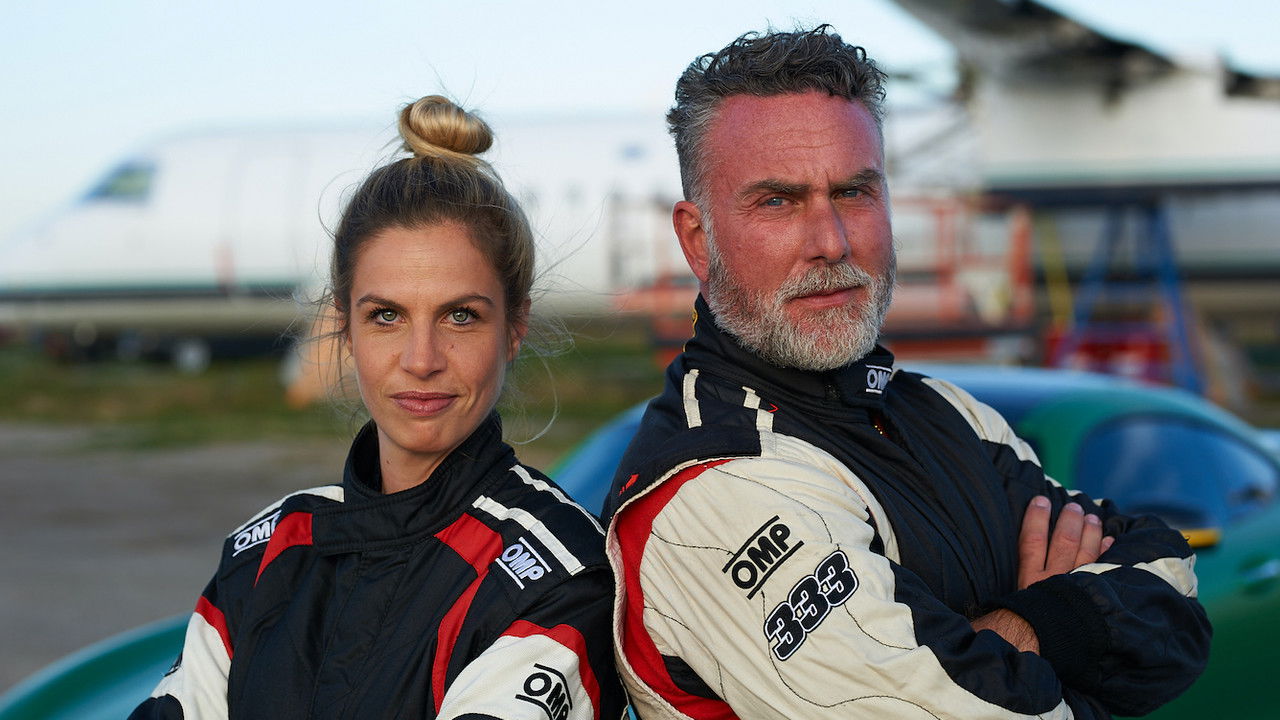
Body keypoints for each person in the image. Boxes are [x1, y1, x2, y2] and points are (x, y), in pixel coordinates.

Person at [602, 26, 1210, 720]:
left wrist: (1021, 634)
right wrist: (1065, 625)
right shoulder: (711, 486)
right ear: (697, 240)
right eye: (777, 201)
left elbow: (1172, 579)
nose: (830, 242)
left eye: (853, 192)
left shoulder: (947, 411)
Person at [131, 95, 626, 720]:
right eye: (386, 316)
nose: (421, 359)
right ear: (345, 326)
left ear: (514, 328)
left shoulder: (563, 577)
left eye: (460, 316)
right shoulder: (266, 552)